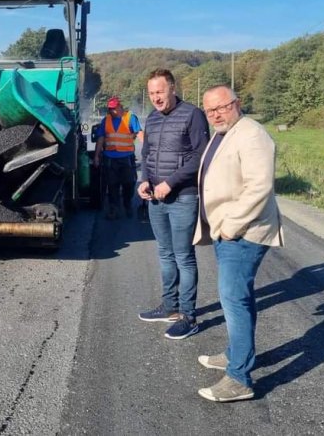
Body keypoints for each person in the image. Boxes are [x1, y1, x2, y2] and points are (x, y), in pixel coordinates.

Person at [192, 84, 284, 402]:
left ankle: (239, 379)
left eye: (222, 107)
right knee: (239, 298)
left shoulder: (252, 134)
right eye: (210, 110)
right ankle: (235, 354)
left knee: (233, 300)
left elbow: (260, 186)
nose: (216, 114)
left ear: (236, 103)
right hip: (227, 230)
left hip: (243, 232)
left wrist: (231, 226)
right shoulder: (224, 133)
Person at [137, 69, 210, 340]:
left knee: (183, 257)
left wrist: (171, 182)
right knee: (165, 254)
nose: (156, 98)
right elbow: (146, 155)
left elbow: (200, 155)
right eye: (152, 93)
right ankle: (169, 306)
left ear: (172, 88)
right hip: (156, 197)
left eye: (160, 92)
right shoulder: (153, 118)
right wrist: (144, 180)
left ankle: (188, 316)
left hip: (183, 197)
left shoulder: (192, 114)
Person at [93, 96, 143, 220]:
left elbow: (140, 134)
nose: (112, 111)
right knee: (112, 184)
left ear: (120, 107)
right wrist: (96, 156)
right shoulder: (106, 120)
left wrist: (148, 151)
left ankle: (127, 203)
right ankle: (113, 208)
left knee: (129, 183)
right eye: (110, 109)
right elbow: (100, 138)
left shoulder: (130, 118)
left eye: (114, 108)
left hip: (126, 158)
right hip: (110, 158)